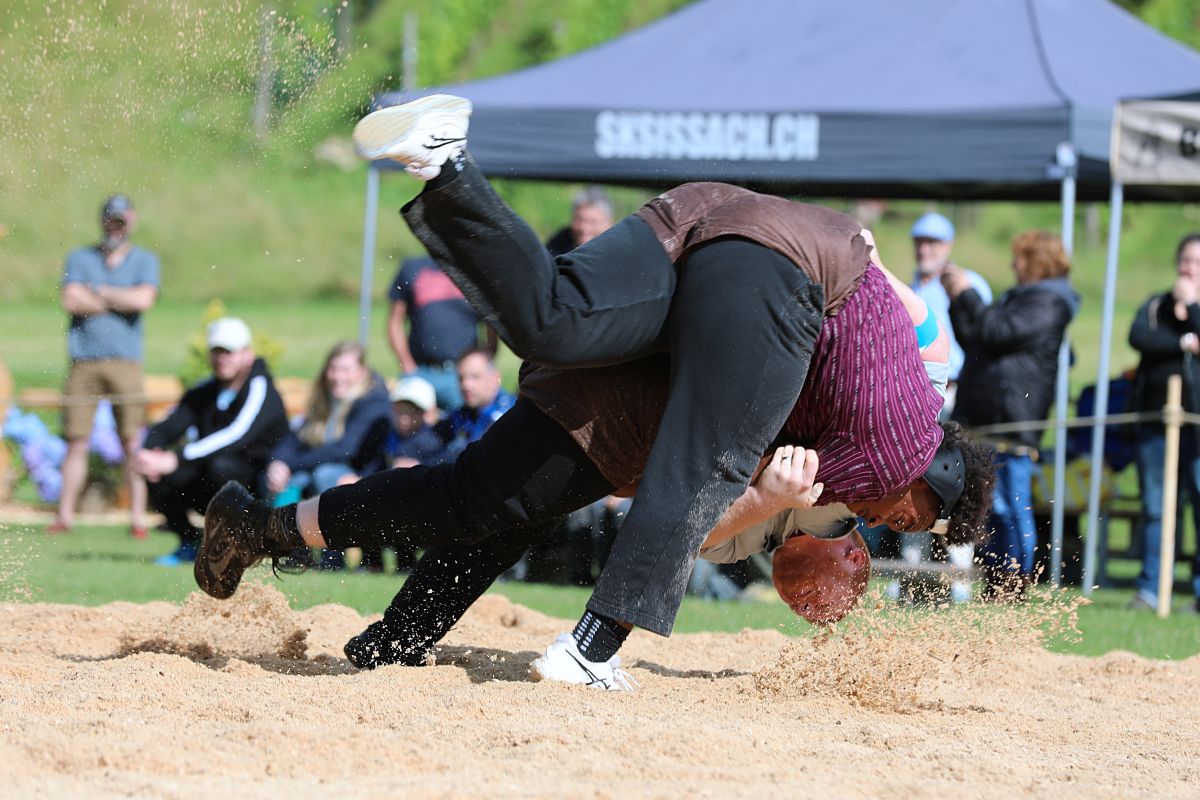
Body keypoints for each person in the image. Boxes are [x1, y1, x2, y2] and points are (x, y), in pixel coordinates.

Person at [197, 94, 979, 689]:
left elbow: (701, 531)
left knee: (542, 341)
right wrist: (852, 247)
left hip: (700, 233)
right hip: (736, 305)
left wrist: (767, 500)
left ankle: (443, 164)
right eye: (906, 517)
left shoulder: (814, 491)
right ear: (931, 475)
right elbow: (894, 308)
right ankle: (588, 650)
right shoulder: (892, 431)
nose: (886, 525)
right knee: (634, 477)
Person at [946, 230, 1079, 598]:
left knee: (1011, 506)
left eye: (1019, 257)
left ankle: (1015, 582)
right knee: (989, 506)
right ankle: (996, 580)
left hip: (1014, 421)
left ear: (1037, 261)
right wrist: (956, 300)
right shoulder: (1021, 298)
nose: (1013, 264)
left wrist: (967, 293)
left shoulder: (1050, 303)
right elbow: (975, 338)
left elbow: (997, 332)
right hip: (988, 420)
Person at [135, 318, 288, 566]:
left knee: (221, 467)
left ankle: (234, 547)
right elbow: (172, 423)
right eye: (217, 351)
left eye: (229, 352)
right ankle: (189, 542)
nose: (222, 358)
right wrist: (148, 451)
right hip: (212, 477)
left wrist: (177, 458)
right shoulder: (205, 390)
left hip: (259, 482)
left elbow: (237, 435)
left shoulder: (260, 388)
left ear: (247, 355)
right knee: (157, 471)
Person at [51, 194, 159, 538]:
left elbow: (144, 299)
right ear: (102, 221)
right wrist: (120, 297)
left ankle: (137, 519)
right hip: (83, 361)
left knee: (132, 440)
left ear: (131, 222)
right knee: (76, 441)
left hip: (125, 362)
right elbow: (70, 299)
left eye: (120, 221)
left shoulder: (145, 260)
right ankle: (64, 516)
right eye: (110, 220)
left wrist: (98, 292)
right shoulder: (80, 257)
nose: (115, 227)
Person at [265, 341, 390, 570]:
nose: (337, 376)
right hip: (325, 471)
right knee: (291, 480)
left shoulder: (373, 402)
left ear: (362, 372)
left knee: (325, 475)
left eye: (346, 370)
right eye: (333, 369)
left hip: (367, 477)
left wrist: (292, 464)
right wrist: (279, 463)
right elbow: (293, 438)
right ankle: (291, 553)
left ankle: (333, 558)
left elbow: (345, 449)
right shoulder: (324, 400)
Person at [1127, 232, 1200, 614]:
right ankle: (1151, 589)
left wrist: (1194, 308)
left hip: (1197, 429)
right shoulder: (1157, 306)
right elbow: (1139, 337)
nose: (1189, 269)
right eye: (1185, 260)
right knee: (1157, 509)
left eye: (1197, 263)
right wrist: (1184, 341)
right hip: (1156, 426)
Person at [386, 254, 495, 409]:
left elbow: (491, 320)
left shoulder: (474, 269)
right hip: (420, 370)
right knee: (406, 419)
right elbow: (395, 321)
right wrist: (407, 365)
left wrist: (486, 360)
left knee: (465, 421)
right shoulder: (412, 268)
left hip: (461, 375)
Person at [909, 212, 993, 404]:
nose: (924, 249)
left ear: (948, 245)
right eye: (919, 242)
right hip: (916, 391)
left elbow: (986, 334)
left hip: (956, 389)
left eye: (932, 242)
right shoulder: (909, 290)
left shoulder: (969, 283)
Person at [432, 347, 514, 461]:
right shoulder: (462, 414)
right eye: (461, 378)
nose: (466, 385)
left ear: (496, 378)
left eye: (475, 377)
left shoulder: (510, 415)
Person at [544, 186, 614, 256]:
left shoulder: (616, 249)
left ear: (609, 223)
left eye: (593, 222)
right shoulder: (559, 243)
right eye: (579, 220)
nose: (584, 228)